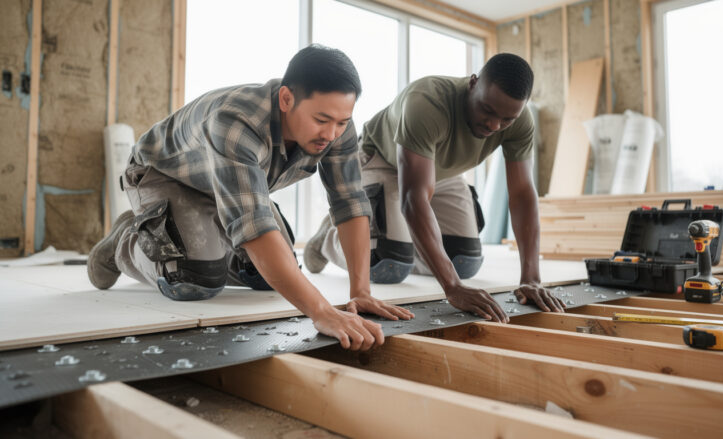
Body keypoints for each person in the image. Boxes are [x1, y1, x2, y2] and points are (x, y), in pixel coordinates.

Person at [87, 45, 414, 351]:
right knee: (194, 279)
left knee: (267, 277)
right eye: (321, 120)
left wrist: (361, 291)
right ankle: (125, 242)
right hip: (165, 176)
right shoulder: (236, 122)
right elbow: (254, 226)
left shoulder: (336, 126)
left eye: (341, 122)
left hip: (228, 187)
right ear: (286, 99)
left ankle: (203, 245)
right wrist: (321, 311)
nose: (331, 134)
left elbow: (350, 203)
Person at [304, 53, 565, 322]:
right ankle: (328, 240)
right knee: (388, 264)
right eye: (487, 110)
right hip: (383, 160)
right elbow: (413, 198)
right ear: (473, 84)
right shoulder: (426, 101)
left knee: (464, 262)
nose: (494, 125)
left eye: (506, 120)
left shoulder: (520, 120)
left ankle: (402, 242)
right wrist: (451, 286)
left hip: (439, 172)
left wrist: (531, 279)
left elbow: (522, 195)